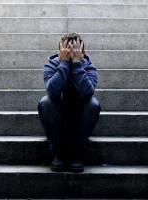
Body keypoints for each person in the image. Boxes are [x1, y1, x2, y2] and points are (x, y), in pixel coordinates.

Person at [38, 33, 101, 173]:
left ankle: (76, 153)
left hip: (78, 118)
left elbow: (86, 94)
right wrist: (64, 63)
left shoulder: (89, 67)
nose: (71, 54)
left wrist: (77, 64)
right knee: (46, 102)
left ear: (83, 53)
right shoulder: (51, 65)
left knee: (93, 104)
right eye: (67, 51)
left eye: (75, 51)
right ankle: (59, 153)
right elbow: (53, 92)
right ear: (60, 52)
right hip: (58, 118)